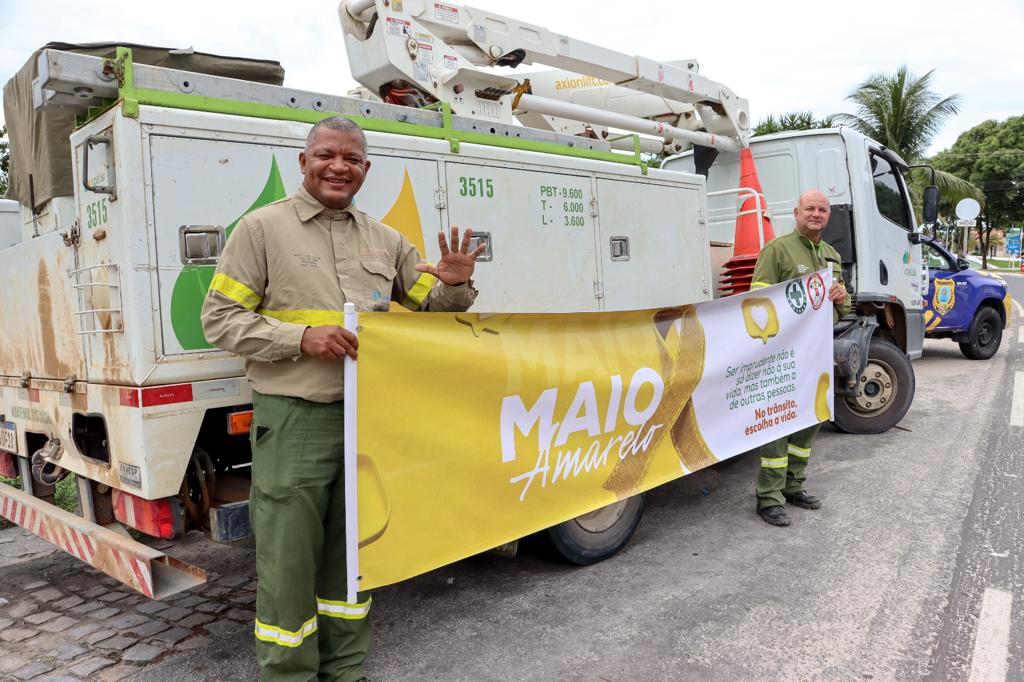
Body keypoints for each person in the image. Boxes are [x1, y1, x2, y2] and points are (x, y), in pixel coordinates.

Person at [201, 116, 484, 681]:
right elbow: (220, 319)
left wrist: (455, 284)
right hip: (294, 421)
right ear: (304, 161)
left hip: (365, 423)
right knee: (288, 564)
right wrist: (299, 339)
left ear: (365, 169)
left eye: (351, 158)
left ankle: (346, 672)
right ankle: (290, 675)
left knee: (352, 557)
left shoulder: (386, 240)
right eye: (326, 155)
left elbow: (438, 312)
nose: (339, 166)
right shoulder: (260, 231)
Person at [749, 189, 850, 527]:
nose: (816, 214)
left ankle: (794, 487)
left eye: (822, 209)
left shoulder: (832, 255)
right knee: (778, 424)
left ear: (828, 216)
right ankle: (769, 498)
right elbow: (758, 301)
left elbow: (843, 308)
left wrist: (840, 296)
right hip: (783, 356)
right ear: (796, 212)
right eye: (810, 208)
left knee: (810, 420)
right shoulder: (777, 250)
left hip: (817, 355)